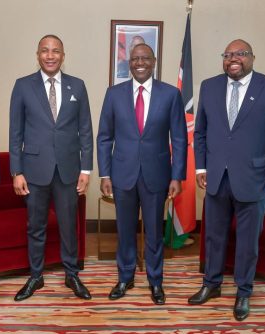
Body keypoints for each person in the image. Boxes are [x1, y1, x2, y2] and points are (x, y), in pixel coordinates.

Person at [189, 39, 265, 321]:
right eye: (227, 55)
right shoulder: (209, 86)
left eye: (240, 54)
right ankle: (211, 284)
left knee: (248, 241)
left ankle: (243, 291)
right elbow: (200, 132)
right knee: (213, 237)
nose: (233, 59)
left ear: (252, 58)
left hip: (255, 179)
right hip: (216, 178)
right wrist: (200, 168)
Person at [97, 43, 187, 305]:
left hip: (157, 175)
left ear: (154, 61)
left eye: (145, 58)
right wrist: (104, 174)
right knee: (124, 231)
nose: (139, 63)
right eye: (135, 58)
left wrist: (176, 176)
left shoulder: (170, 94)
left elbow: (179, 139)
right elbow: (104, 138)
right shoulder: (113, 94)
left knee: (155, 233)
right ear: (129, 63)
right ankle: (125, 278)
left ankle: (155, 281)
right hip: (122, 174)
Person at [9, 34, 93, 301]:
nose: (50, 55)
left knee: (69, 225)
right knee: (36, 226)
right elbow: (15, 133)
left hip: (69, 169)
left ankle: (72, 274)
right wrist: (16, 171)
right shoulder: (23, 86)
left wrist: (86, 169)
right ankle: (36, 276)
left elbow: (86, 131)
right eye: (45, 50)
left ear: (63, 56)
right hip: (33, 170)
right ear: (37, 55)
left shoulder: (77, 87)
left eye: (56, 51)